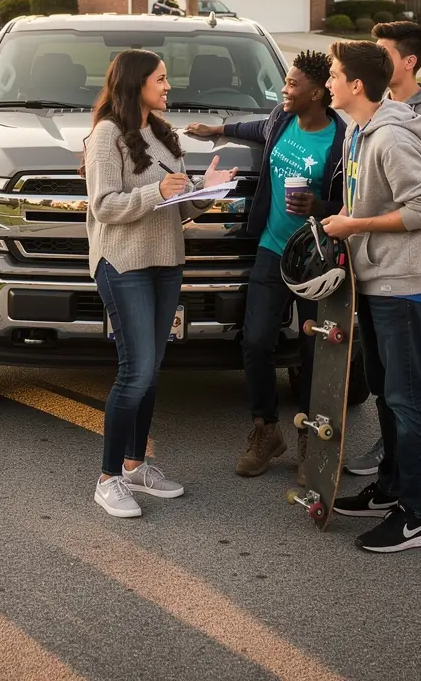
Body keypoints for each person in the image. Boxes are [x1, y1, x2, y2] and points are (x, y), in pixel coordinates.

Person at [84, 49, 236, 518]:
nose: (169, 86)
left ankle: (135, 466)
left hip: (165, 261)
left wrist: (204, 193)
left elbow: (176, 208)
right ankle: (107, 479)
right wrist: (158, 191)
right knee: (136, 370)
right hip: (123, 264)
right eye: (161, 79)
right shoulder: (106, 135)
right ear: (136, 84)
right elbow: (104, 205)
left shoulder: (165, 136)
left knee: (152, 370)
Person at [186, 50, 345, 483]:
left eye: (292, 84)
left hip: (316, 259)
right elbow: (255, 127)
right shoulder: (281, 118)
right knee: (256, 342)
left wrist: (321, 205)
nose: (284, 90)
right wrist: (218, 129)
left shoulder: (341, 140)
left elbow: (355, 202)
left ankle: (313, 435)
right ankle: (266, 430)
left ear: (317, 92)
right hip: (272, 249)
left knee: (317, 352)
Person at [322, 40, 421, 553]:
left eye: (333, 75)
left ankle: (417, 516)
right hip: (376, 278)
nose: (327, 82)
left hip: (404, 284)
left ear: (356, 85)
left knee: (407, 397)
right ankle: (391, 487)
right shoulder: (358, 129)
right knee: (385, 390)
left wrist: (356, 225)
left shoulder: (391, 138)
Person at [343, 21, 421, 487]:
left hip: (412, 262)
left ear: (408, 60)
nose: (375, 57)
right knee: (395, 375)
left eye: (384, 51)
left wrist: (369, 220)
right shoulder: (378, 113)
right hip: (381, 258)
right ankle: (396, 451)